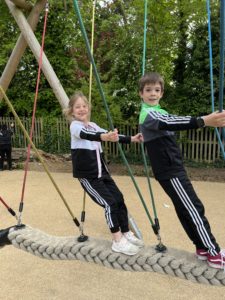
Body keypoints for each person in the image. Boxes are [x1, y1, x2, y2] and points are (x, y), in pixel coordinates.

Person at [138, 72, 225, 269]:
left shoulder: (157, 111)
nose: (153, 94)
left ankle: (203, 248)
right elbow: (172, 122)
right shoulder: (150, 113)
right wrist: (203, 120)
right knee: (194, 208)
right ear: (141, 94)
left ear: (162, 93)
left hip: (172, 168)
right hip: (170, 170)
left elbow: (168, 120)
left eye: (157, 90)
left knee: (187, 209)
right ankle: (214, 253)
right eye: (148, 90)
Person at [64, 91, 144, 256]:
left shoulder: (93, 125)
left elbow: (111, 136)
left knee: (119, 199)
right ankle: (117, 241)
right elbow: (89, 136)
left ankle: (126, 233)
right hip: (89, 176)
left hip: (103, 174)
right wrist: (104, 136)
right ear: (71, 110)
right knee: (109, 204)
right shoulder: (75, 126)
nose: (81, 109)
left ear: (88, 108)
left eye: (84, 106)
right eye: (77, 106)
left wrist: (131, 139)